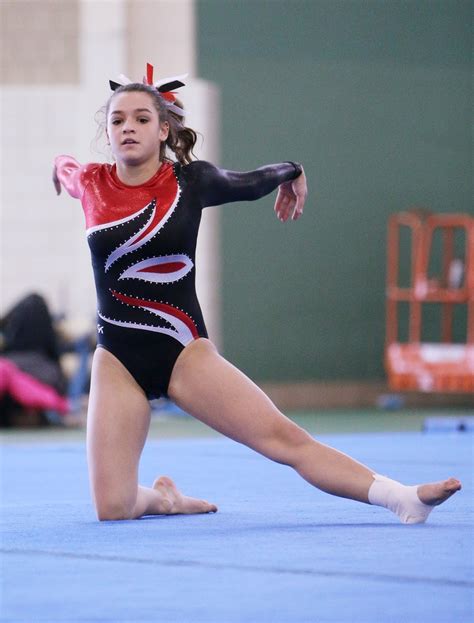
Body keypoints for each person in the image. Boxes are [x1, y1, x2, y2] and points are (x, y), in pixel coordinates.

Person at [52, 63, 461, 522]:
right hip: (117, 361)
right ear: (107, 131)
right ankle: (165, 499)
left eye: (142, 119)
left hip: (183, 353)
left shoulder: (191, 182)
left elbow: (250, 183)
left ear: (164, 129)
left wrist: (293, 170)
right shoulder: (90, 183)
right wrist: (58, 167)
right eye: (118, 120)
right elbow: (66, 168)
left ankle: (400, 496)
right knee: (113, 508)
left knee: (283, 440)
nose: (128, 128)